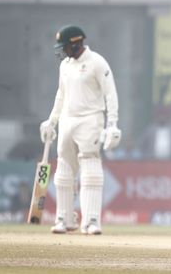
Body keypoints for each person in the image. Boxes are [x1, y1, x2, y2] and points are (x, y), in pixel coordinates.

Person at [40, 25, 121, 235]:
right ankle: (64, 219)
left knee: (90, 168)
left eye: (65, 46)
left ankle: (91, 221)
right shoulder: (65, 66)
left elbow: (110, 94)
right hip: (67, 119)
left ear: (76, 43)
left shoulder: (96, 62)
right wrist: (52, 121)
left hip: (90, 119)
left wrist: (112, 124)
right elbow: (61, 95)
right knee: (64, 171)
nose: (63, 51)